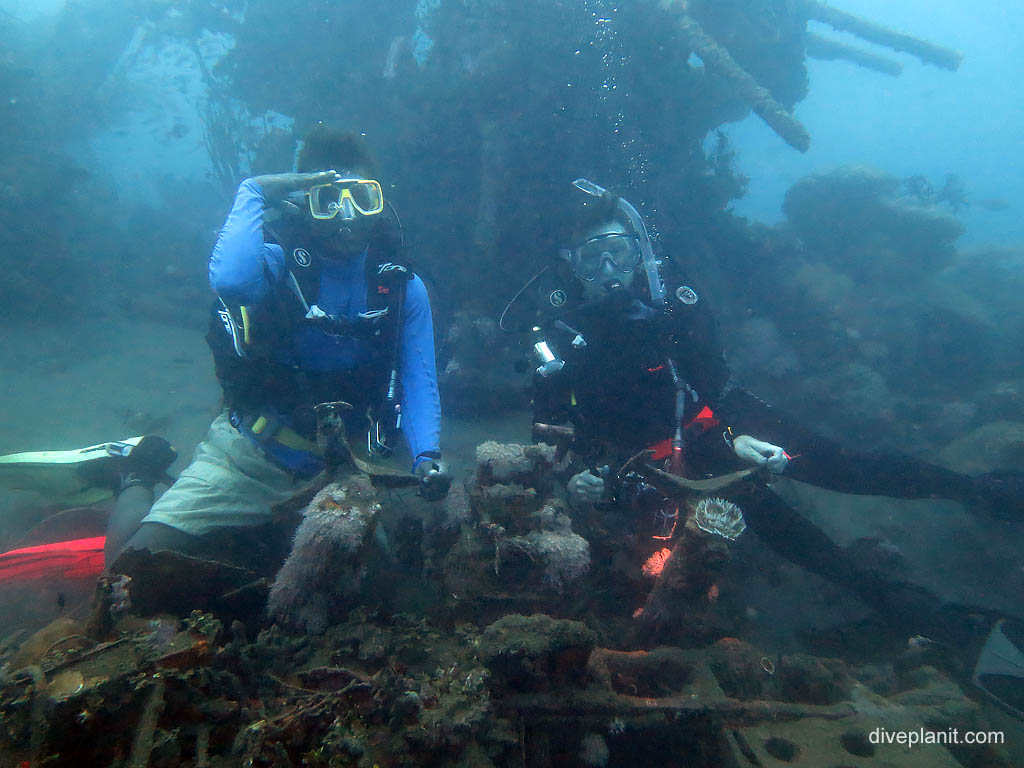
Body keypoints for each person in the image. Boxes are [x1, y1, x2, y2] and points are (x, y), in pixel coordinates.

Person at [503, 178, 1024, 714]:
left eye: (619, 253)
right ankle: (911, 608)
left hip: (726, 419)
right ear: (574, 267)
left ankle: (982, 491)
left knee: (842, 467)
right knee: (778, 525)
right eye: (594, 260)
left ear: (640, 256)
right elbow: (551, 428)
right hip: (660, 461)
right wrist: (579, 474)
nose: (609, 270)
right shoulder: (559, 334)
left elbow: (712, 381)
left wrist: (736, 435)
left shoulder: (671, 303)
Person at [0, 127, 451, 583]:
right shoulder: (276, 263)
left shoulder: (402, 288)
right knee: (125, 581)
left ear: (380, 202)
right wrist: (253, 192)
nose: (346, 216)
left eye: (362, 197)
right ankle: (135, 471)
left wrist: (426, 457)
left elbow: (419, 380)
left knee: (385, 594)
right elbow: (232, 282)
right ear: (300, 200)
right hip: (250, 457)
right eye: (327, 199)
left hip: (347, 466)